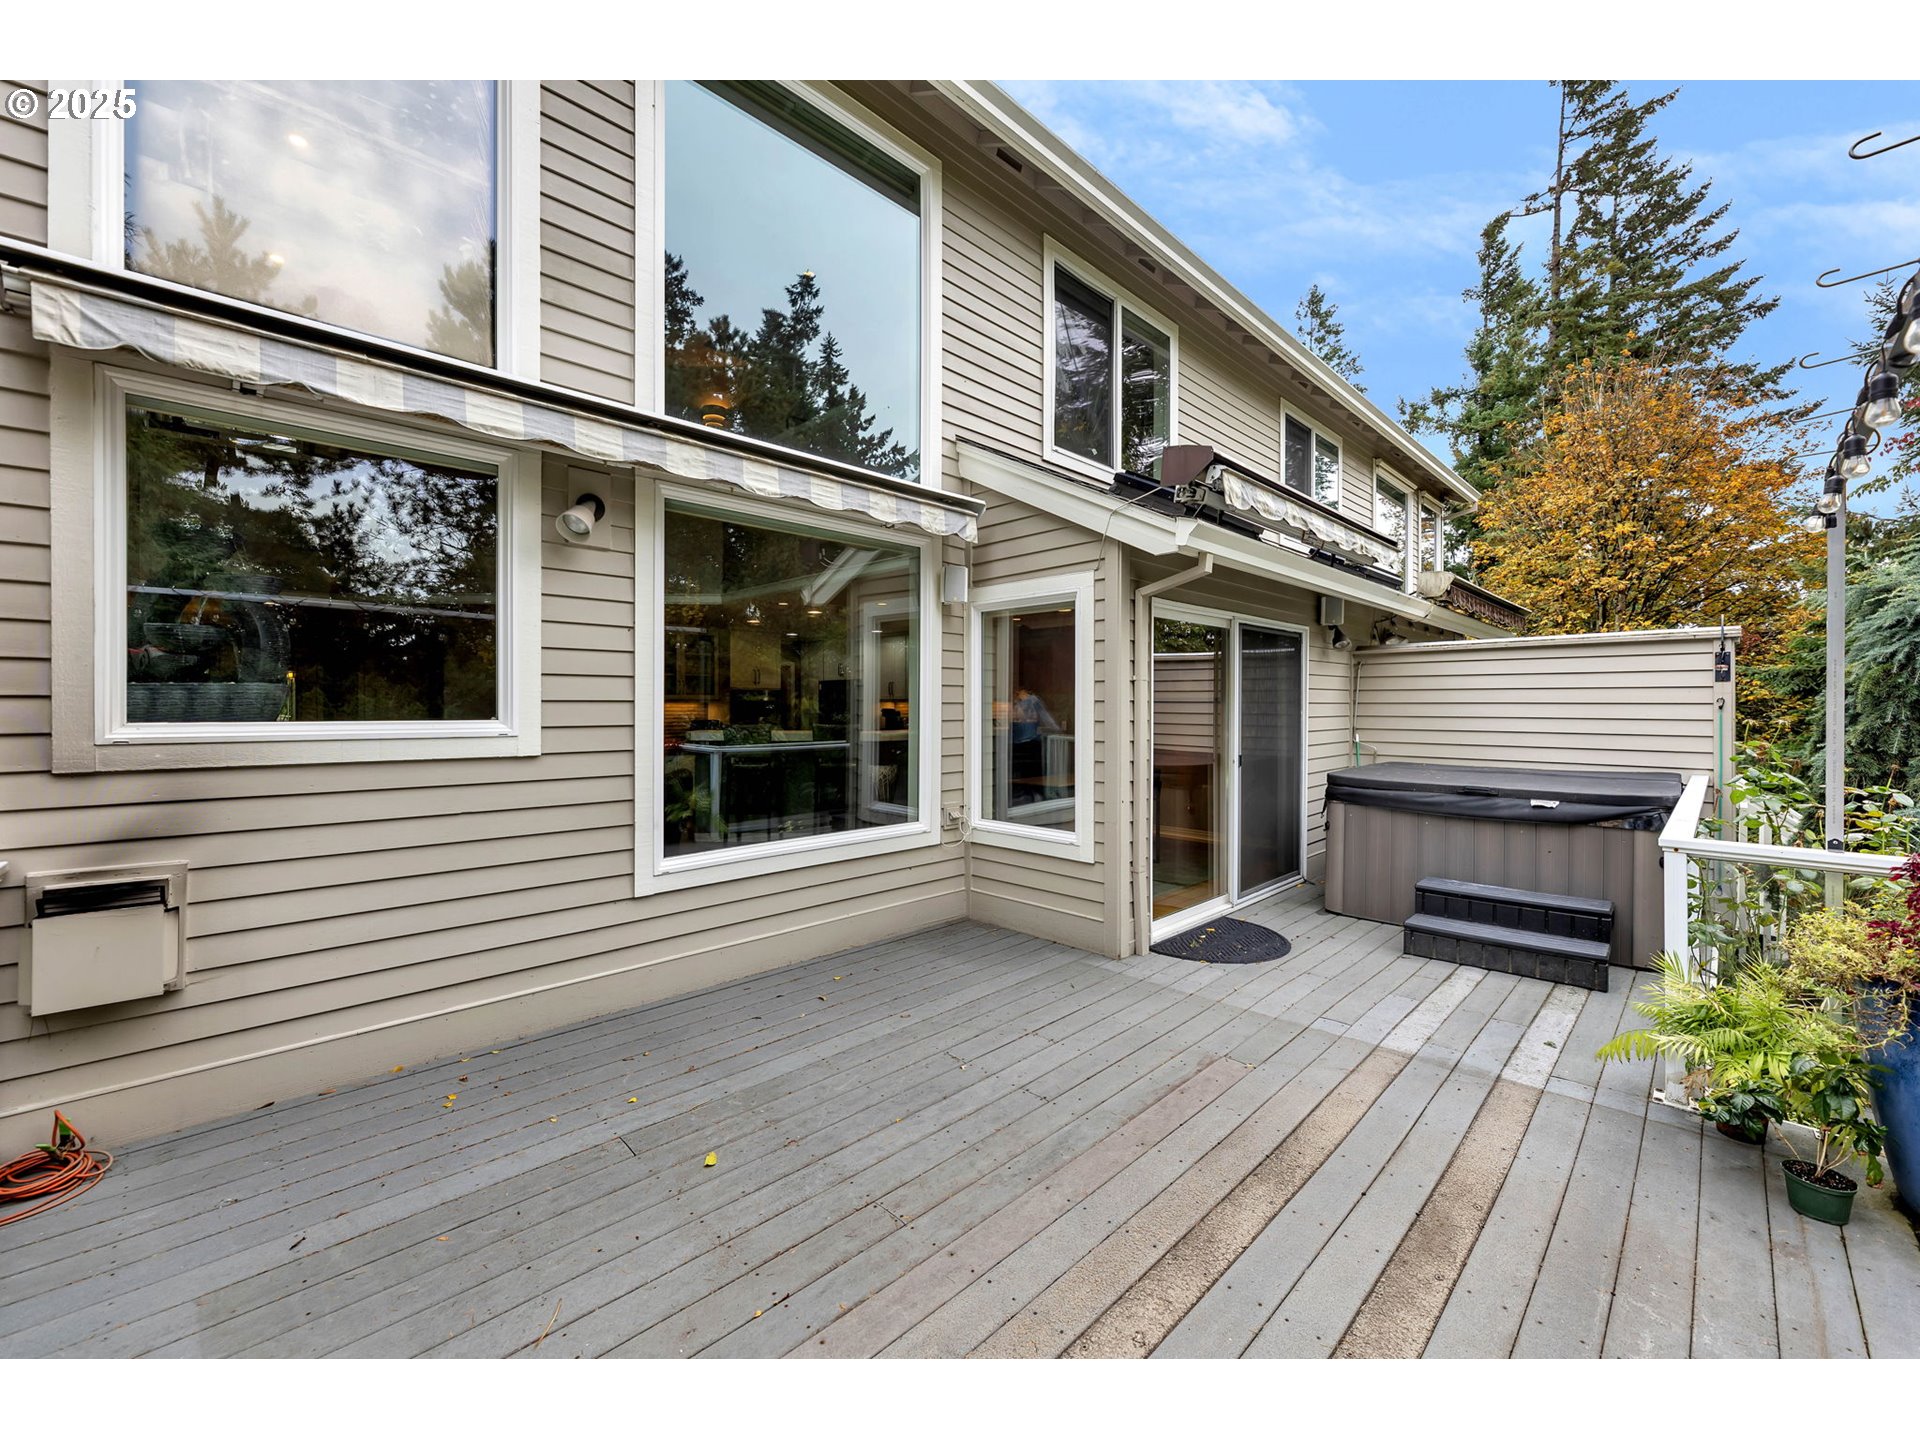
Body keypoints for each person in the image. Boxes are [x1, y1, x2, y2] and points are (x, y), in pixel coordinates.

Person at [1008, 687, 1061, 802]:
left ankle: (1034, 796)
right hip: (1022, 743)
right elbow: (1044, 716)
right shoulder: (1019, 703)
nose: (1018, 694)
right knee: (1027, 774)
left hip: (1026, 743)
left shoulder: (1031, 701)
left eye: (1019, 692)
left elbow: (1043, 716)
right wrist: (1055, 728)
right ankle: (1032, 796)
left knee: (1029, 773)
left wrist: (1055, 728)